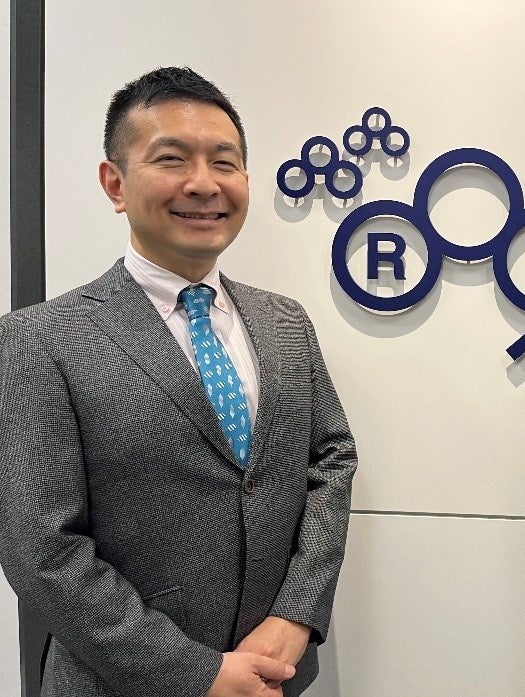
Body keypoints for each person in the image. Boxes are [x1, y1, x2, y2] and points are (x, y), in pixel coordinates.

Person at [0, 67, 357, 697]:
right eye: (172, 159)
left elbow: (331, 460)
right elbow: (42, 551)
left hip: (273, 677)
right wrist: (198, 674)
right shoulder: (42, 338)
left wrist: (296, 614)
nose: (203, 183)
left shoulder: (286, 323)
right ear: (115, 183)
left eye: (224, 161)